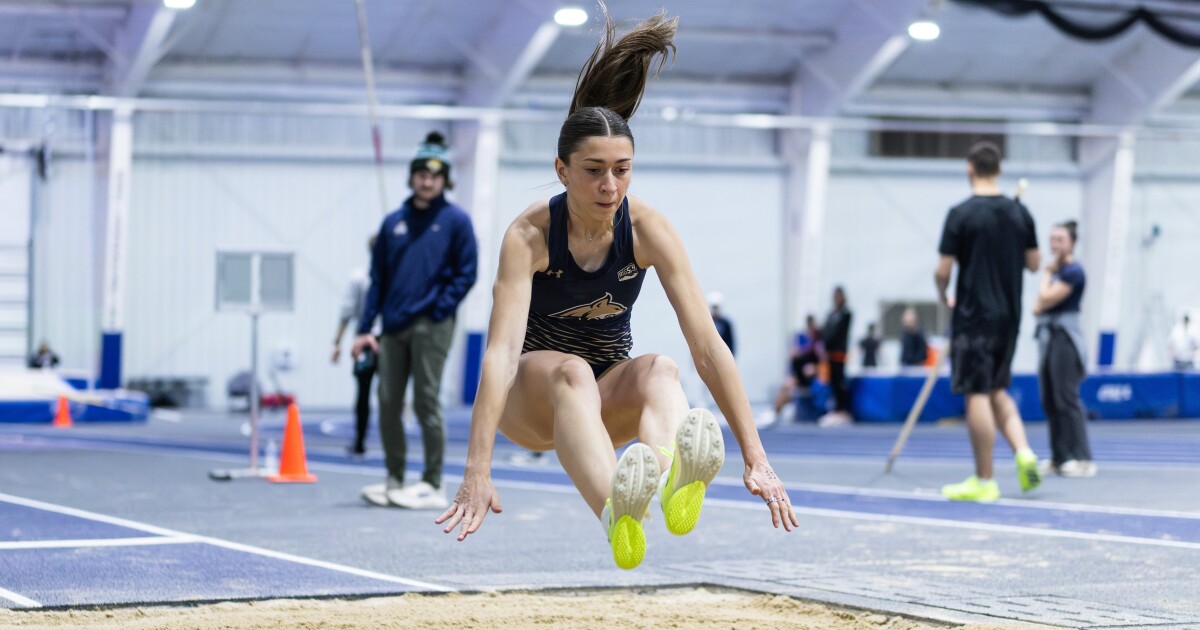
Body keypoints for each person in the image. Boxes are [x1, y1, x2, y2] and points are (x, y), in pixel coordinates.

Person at [434, 7, 798, 571]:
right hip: (533, 401)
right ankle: (615, 510)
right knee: (571, 372)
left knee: (662, 369)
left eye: (622, 169)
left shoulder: (648, 229)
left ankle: (666, 482)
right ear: (562, 170)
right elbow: (501, 356)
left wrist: (757, 457)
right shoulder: (530, 236)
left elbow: (708, 346)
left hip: (601, 402)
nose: (610, 186)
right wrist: (476, 469)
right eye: (593, 170)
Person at [351, 131, 478, 509]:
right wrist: (364, 329)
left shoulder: (456, 221)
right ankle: (394, 479)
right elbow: (377, 280)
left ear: (445, 180)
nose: (427, 180)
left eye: (435, 175)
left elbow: (466, 273)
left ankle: (432, 483)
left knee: (425, 400)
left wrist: (440, 309)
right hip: (392, 328)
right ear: (412, 177)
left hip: (432, 325)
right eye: (421, 174)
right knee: (388, 400)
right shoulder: (392, 223)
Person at [935, 141, 1042, 502]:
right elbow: (1034, 264)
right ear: (999, 169)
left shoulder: (960, 214)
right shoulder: (1019, 213)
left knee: (977, 392)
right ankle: (1024, 453)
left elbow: (943, 271)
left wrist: (943, 294)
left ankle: (985, 479)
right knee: (996, 389)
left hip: (974, 315)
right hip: (1009, 317)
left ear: (970, 168)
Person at [1033, 220, 1095, 478]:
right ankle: (1060, 456)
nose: (1055, 245)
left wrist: (1046, 274)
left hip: (1065, 339)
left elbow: (1045, 299)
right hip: (1049, 338)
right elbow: (1037, 308)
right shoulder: (1059, 273)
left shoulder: (1073, 272)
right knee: (1050, 398)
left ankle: (1081, 458)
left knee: (1066, 397)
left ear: (1072, 243)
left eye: (1060, 240)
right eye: (1052, 240)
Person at [332, 236, 378, 461]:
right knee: (382, 394)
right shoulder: (362, 277)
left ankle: (360, 443)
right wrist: (337, 343)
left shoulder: (359, 277)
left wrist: (337, 343)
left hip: (370, 342)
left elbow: (346, 312)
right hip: (378, 341)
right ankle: (363, 442)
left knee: (365, 393)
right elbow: (347, 311)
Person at [818, 286, 853, 427]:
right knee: (832, 382)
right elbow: (825, 331)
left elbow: (836, 333)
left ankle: (843, 411)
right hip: (829, 354)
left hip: (839, 353)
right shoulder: (831, 314)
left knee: (840, 382)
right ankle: (836, 409)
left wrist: (828, 339)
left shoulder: (846, 314)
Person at [708, 292, 735, 356]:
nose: (715, 310)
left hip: (724, 354)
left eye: (716, 307)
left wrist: (731, 356)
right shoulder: (707, 323)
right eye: (713, 307)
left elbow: (730, 341)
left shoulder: (726, 323)